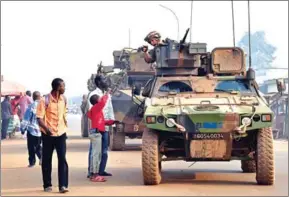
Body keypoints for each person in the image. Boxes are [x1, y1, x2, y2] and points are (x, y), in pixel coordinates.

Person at [36, 78, 69, 193]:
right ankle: (47, 185)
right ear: (57, 87)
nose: (64, 88)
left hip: (61, 133)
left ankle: (63, 186)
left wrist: (64, 127)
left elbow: (64, 114)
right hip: (48, 134)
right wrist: (46, 129)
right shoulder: (44, 100)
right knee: (46, 160)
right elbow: (39, 118)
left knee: (62, 159)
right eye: (63, 86)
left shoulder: (64, 99)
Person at [87, 75, 115, 178]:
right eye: (103, 79)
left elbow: (110, 109)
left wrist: (112, 123)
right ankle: (92, 172)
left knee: (104, 151)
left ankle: (101, 170)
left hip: (105, 126)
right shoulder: (94, 94)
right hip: (97, 128)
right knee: (94, 151)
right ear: (98, 82)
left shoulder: (106, 94)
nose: (106, 81)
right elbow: (92, 112)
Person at [20, 91, 42, 167]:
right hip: (41, 130)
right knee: (39, 145)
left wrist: (22, 129)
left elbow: (26, 119)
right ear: (40, 97)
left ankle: (32, 162)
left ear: (33, 97)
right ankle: (41, 157)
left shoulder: (31, 106)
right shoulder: (44, 106)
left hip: (32, 130)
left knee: (31, 147)